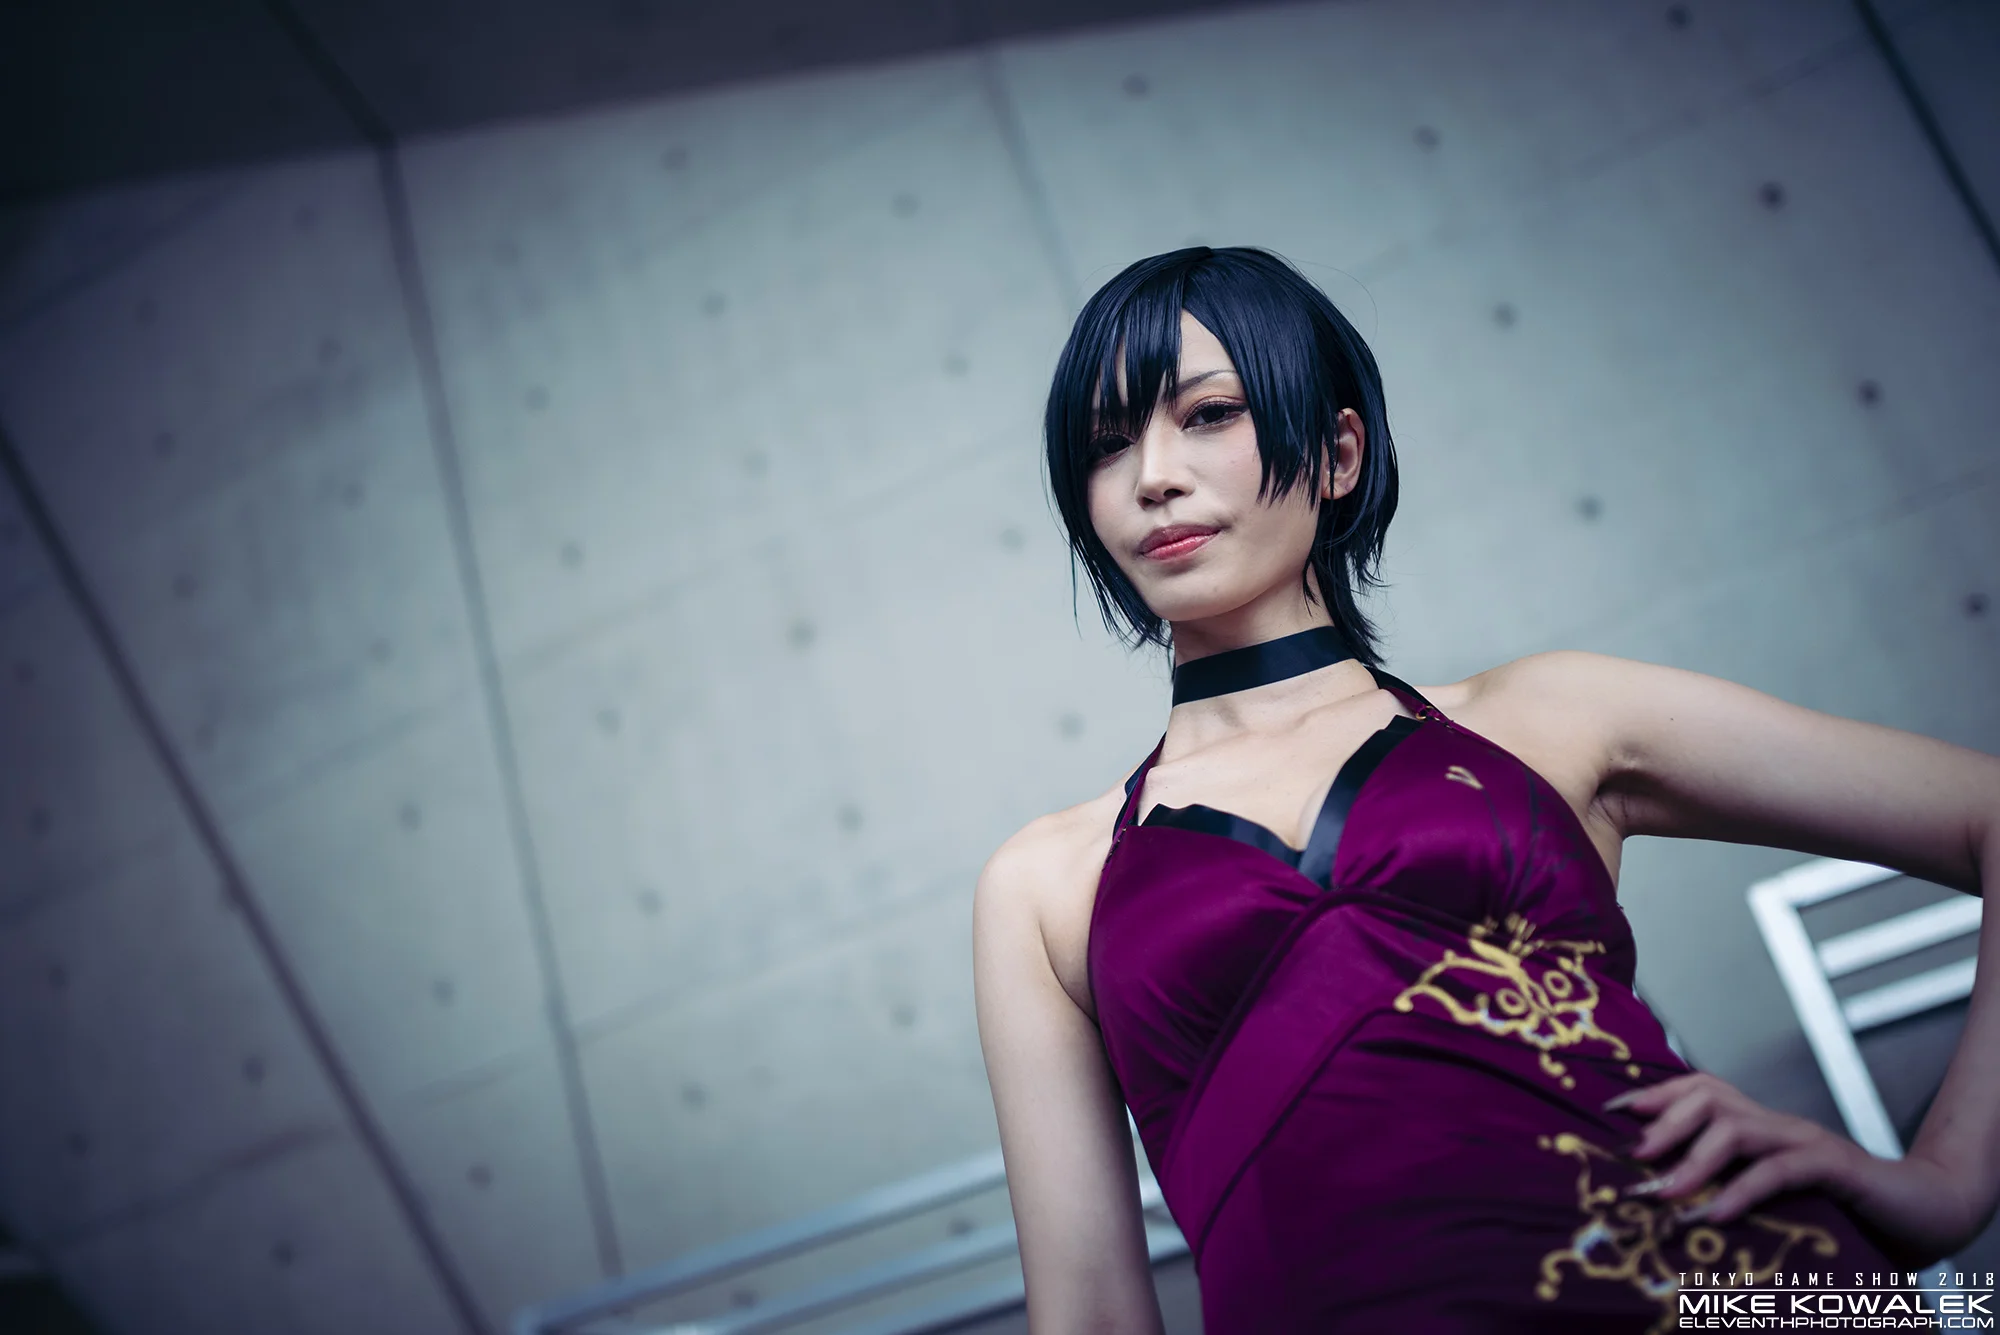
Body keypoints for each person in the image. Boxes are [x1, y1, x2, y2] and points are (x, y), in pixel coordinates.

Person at [970, 246, 2000, 1332]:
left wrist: (1946, 1182)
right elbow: (1088, 1310)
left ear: (1337, 454)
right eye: (1105, 443)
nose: (1151, 475)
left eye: (1209, 413)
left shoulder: (1548, 716)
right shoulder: (1048, 884)